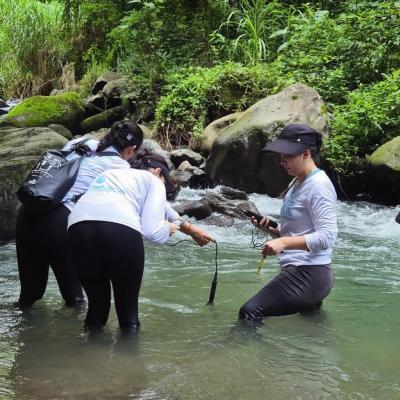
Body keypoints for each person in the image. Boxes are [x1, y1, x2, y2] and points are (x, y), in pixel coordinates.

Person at [67, 150, 214, 332]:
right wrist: (168, 229)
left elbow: (164, 208)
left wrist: (190, 229)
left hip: (77, 229)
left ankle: (87, 356)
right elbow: (152, 232)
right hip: (118, 230)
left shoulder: (113, 175)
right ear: (158, 172)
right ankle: (130, 358)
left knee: (97, 309)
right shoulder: (153, 180)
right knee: (128, 316)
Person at [16, 121, 143, 308]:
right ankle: (77, 336)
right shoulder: (121, 169)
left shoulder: (80, 142)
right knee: (74, 298)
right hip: (60, 221)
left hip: (29, 210)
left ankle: (24, 333)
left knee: (30, 294)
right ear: (132, 149)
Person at [239, 123, 338, 320]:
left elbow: (327, 236)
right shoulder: (297, 181)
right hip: (305, 272)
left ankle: (243, 352)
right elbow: (298, 232)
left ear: (306, 154)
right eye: (281, 155)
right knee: (309, 334)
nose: (282, 161)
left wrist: (283, 243)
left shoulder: (318, 185)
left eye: (288, 155)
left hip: (310, 273)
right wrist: (275, 232)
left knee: (249, 312)